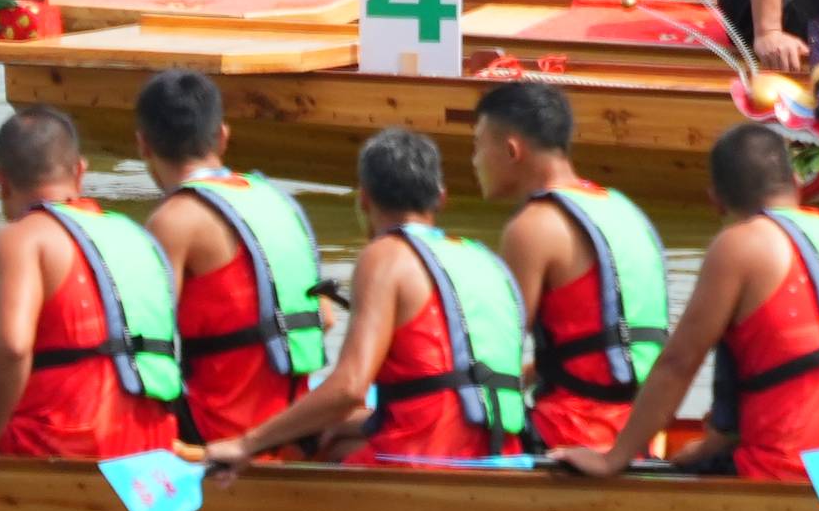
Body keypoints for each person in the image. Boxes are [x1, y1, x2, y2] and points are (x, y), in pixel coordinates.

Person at [546, 122, 819, 480]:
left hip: (797, 473)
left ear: (716, 201)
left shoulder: (741, 243)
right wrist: (711, 443)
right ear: (797, 185)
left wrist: (614, 459)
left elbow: (679, 362)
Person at [201, 127, 524, 465]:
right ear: (441, 198)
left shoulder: (384, 255)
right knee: (336, 432)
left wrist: (247, 443)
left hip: (426, 461)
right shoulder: (481, 257)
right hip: (499, 454)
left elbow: (350, 388)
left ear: (364, 199)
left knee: (302, 450)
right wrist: (355, 424)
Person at [0, 107, 185, 488]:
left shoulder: (22, 237)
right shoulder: (132, 234)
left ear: (1, 183)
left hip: (68, 446)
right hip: (153, 445)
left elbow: (14, 347)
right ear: (80, 171)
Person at [130, 69, 329, 448]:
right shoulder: (279, 201)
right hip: (295, 427)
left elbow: (146, 345)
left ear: (143, 145)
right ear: (222, 136)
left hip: (218, 431)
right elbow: (327, 318)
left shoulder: (173, 220)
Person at [469, 78, 668, 455]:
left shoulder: (531, 227)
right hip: (638, 430)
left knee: (361, 438)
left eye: (477, 145)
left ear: (512, 150)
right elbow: (594, 342)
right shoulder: (622, 208)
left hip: (569, 432)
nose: (474, 161)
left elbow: (498, 353)